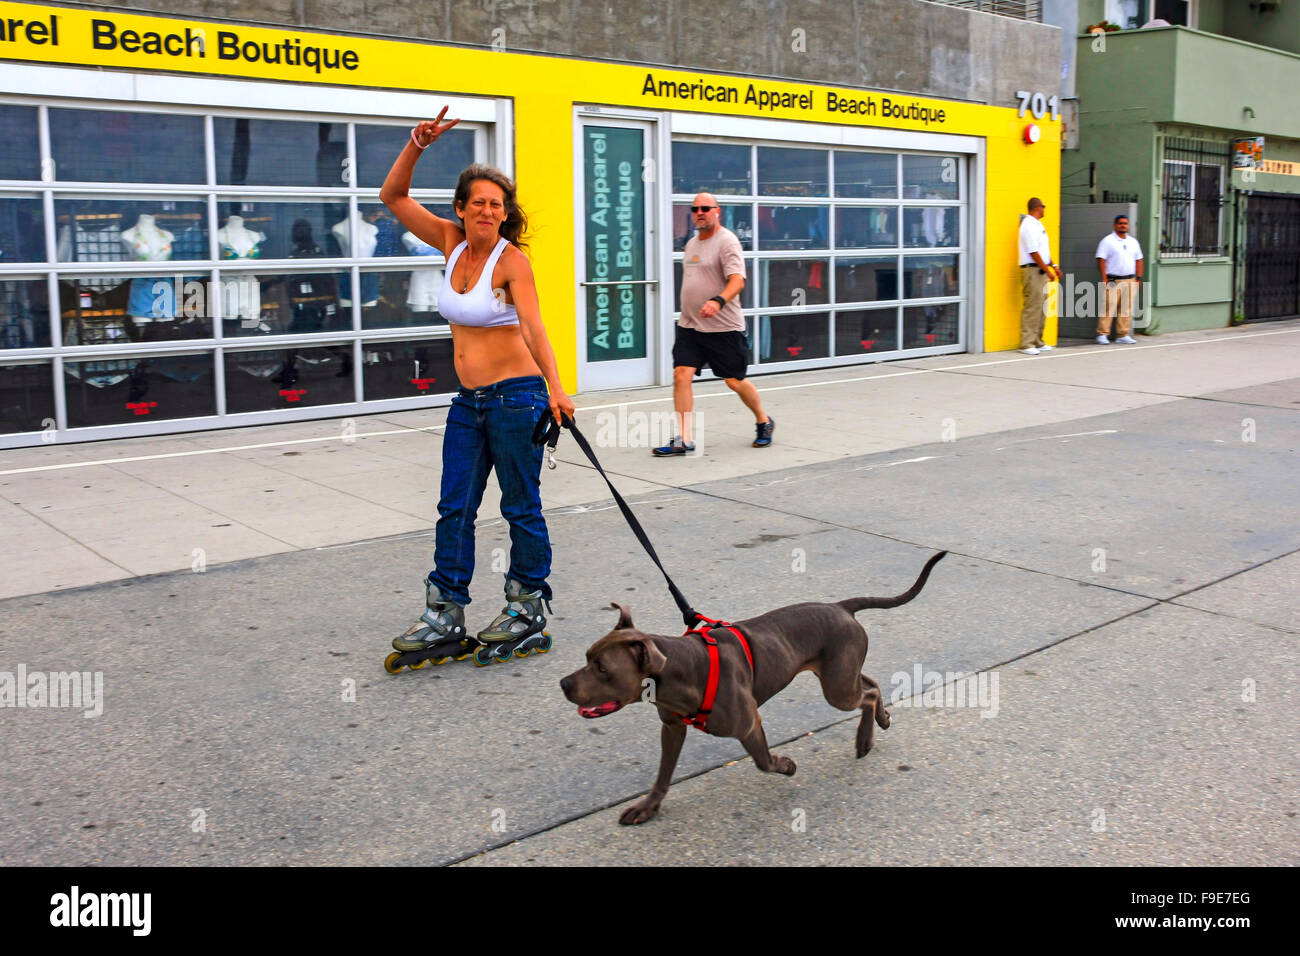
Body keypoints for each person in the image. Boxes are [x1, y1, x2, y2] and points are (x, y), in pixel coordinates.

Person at [379, 107, 575, 658]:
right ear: (461, 209)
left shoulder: (513, 262)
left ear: (504, 212)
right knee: (454, 506)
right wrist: (417, 144)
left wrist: (557, 389)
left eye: (497, 204)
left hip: (517, 398)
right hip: (468, 402)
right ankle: (444, 612)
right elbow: (392, 197)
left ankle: (527, 605)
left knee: (520, 506)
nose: (488, 211)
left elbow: (535, 327)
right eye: (478, 203)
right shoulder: (451, 242)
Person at [653, 192, 773, 456]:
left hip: (724, 328)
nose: (700, 212)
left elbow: (737, 280)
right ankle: (684, 438)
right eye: (695, 208)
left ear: (717, 211)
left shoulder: (727, 242)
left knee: (734, 380)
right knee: (681, 375)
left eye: (705, 208)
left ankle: (763, 420)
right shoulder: (691, 244)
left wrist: (718, 301)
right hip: (691, 326)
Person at [1017, 197, 1062, 355]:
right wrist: (1047, 270)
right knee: (1032, 306)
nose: (1044, 209)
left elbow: (1044, 251)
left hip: (1041, 270)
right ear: (1037, 207)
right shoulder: (1028, 225)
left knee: (1042, 307)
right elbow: (1033, 251)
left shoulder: (1038, 225)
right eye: (1043, 206)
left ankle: (1038, 341)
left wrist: (1054, 266)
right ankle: (1027, 343)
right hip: (1032, 270)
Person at [1095, 214, 1143, 345]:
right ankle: (1102, 334)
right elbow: (1101, 259)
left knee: (1126, 309)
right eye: (1120, 223)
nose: (1123, 225)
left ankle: (1122, 334)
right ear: (1115, 225)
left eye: (1125, 223)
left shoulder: (1133, 242)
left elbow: (1139, 260)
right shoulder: (1108, 241)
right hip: (1113, 280)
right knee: (1108, 307)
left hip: (1130, 280)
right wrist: (1104, 278)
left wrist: (1138, 277)